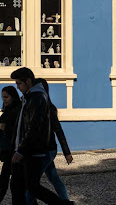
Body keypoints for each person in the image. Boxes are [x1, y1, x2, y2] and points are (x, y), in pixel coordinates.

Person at [10, 67, 73, 205]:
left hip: (40, 151)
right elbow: (23, 126)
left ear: (28, 82)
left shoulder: (38, 100)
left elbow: (37, 128)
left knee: (32, 186)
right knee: (33, 184)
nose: (18, 87)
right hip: (37, 150)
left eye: (19, 84)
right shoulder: (29, 99)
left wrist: (21, 149)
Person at [26, 78, 73, 205]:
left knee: (31, 184)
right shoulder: (36, 106)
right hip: (45, 150)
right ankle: (65, 201)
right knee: (54, 179)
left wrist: (67, 152)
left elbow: (58, 130)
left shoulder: (48, 108)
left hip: (46, 151)